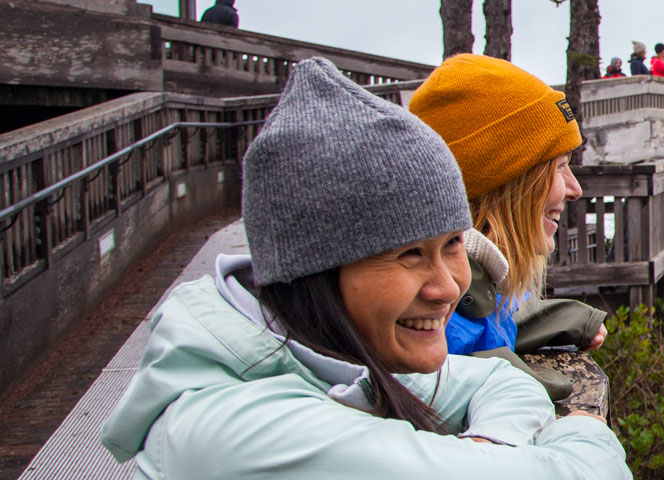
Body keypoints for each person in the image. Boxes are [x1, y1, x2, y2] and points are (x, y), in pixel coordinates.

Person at [98, 58, 628, 478]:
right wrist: (585, 431)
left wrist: (487, 447)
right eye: (408, 255)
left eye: (450, 245)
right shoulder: (247, 434)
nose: (448, 285)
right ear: (318, 268)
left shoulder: (328, 354)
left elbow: (499, 381)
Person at [409, 54, 611, 402]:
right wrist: (512, 379)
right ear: (508, 182)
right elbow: (454, 357)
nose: (575, 189)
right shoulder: (433, 311)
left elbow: (494, 312)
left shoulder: (475, 283)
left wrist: (568, 318)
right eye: (560, 167)